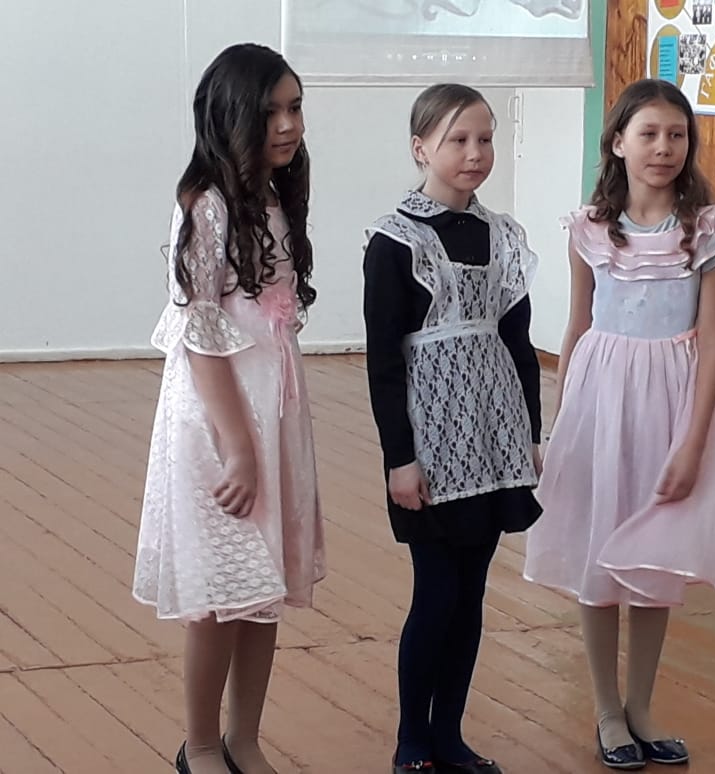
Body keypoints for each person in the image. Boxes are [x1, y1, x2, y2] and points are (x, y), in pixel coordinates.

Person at [523, 78, 715, 770]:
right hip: (601, 400)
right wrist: (561, 424)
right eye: (649, 133)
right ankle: (607, 708)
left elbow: (713, 340)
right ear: (618, 143)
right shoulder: (589, 230)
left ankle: (642, 705)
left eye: (677, 135)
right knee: (599, 552)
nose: (664, 147)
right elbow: (577, 326)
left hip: (672, 403)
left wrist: (693, 442)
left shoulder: (710, 230)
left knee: (656, 553)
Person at [132, 43, 325, 774]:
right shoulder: (206, 206)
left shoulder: (274, 199)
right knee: (217, 593)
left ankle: (244, 739)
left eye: (295, 107)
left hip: (272, 411)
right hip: (219, 424)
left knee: (261, 588)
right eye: (271, 110)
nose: (288, 123)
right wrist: (238, 444)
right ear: (230, 117)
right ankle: (202, 744)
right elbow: (199, 334)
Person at [362, 83, 543, 774]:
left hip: (493, 442)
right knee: (436, 592)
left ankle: (450, 735)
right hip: (431, 447)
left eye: (485, 138)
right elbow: (383, 362)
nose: (474, 153)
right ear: (421, 148)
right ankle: (412, 738)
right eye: (457, 140)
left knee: (471, 595)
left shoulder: (503, 236)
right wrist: (398, 458)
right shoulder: (394, 241)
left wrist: (530, 434)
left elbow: (519, 346)